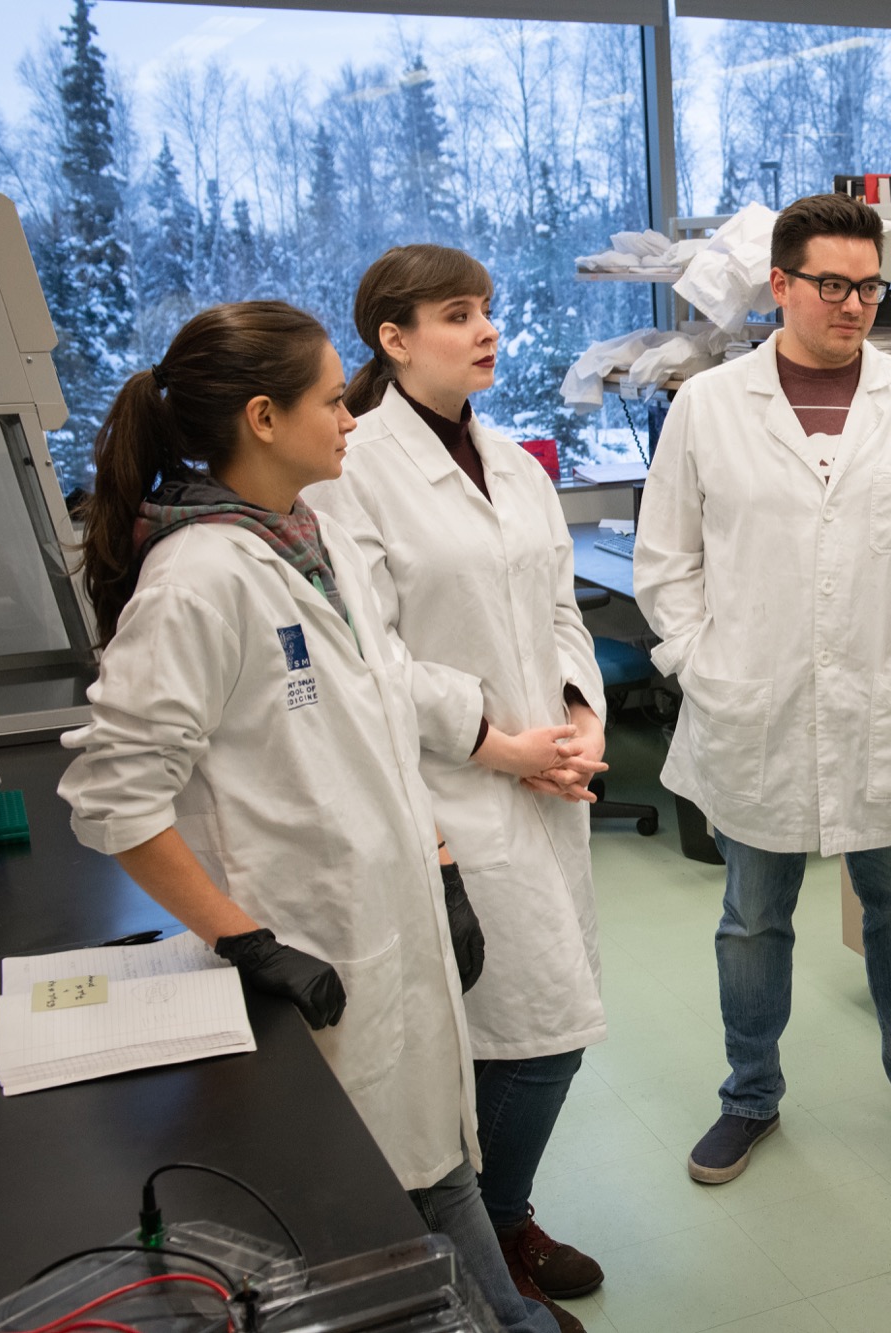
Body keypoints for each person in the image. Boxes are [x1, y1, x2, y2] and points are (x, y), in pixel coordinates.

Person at [58, 301, 559, 1333]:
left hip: (390, 923)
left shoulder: (310, 537)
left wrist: (440, 861)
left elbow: (371, 720)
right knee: (387, 1205)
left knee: (435, 1166)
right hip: (316, 945)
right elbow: (113, 796)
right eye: (335, 400)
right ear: (262, 418)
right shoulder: (197, 580)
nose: (353, 421)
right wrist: (243, 938)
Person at [633, 192, 891, 1184]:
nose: (854, 305)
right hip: (756, 707)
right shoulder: (709, 407)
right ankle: (748, 1096)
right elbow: (664, 563)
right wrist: (701, 664)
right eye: (832, 285)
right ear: (779, 286)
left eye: (869, 286)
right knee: (753, 916)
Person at [305, 244, 608, 1333]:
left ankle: (501, 1220)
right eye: (454, 314)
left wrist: (576, 718)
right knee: (525, 1035)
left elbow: (561, 608)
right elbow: (364, 650)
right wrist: (497, 741)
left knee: (539, 1020)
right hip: (448, 791)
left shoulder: (513, 459)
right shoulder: (350, 469)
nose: (485, 330)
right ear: (392, 338)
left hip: (545, 780)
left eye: (487, 309)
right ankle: (476, 1236)